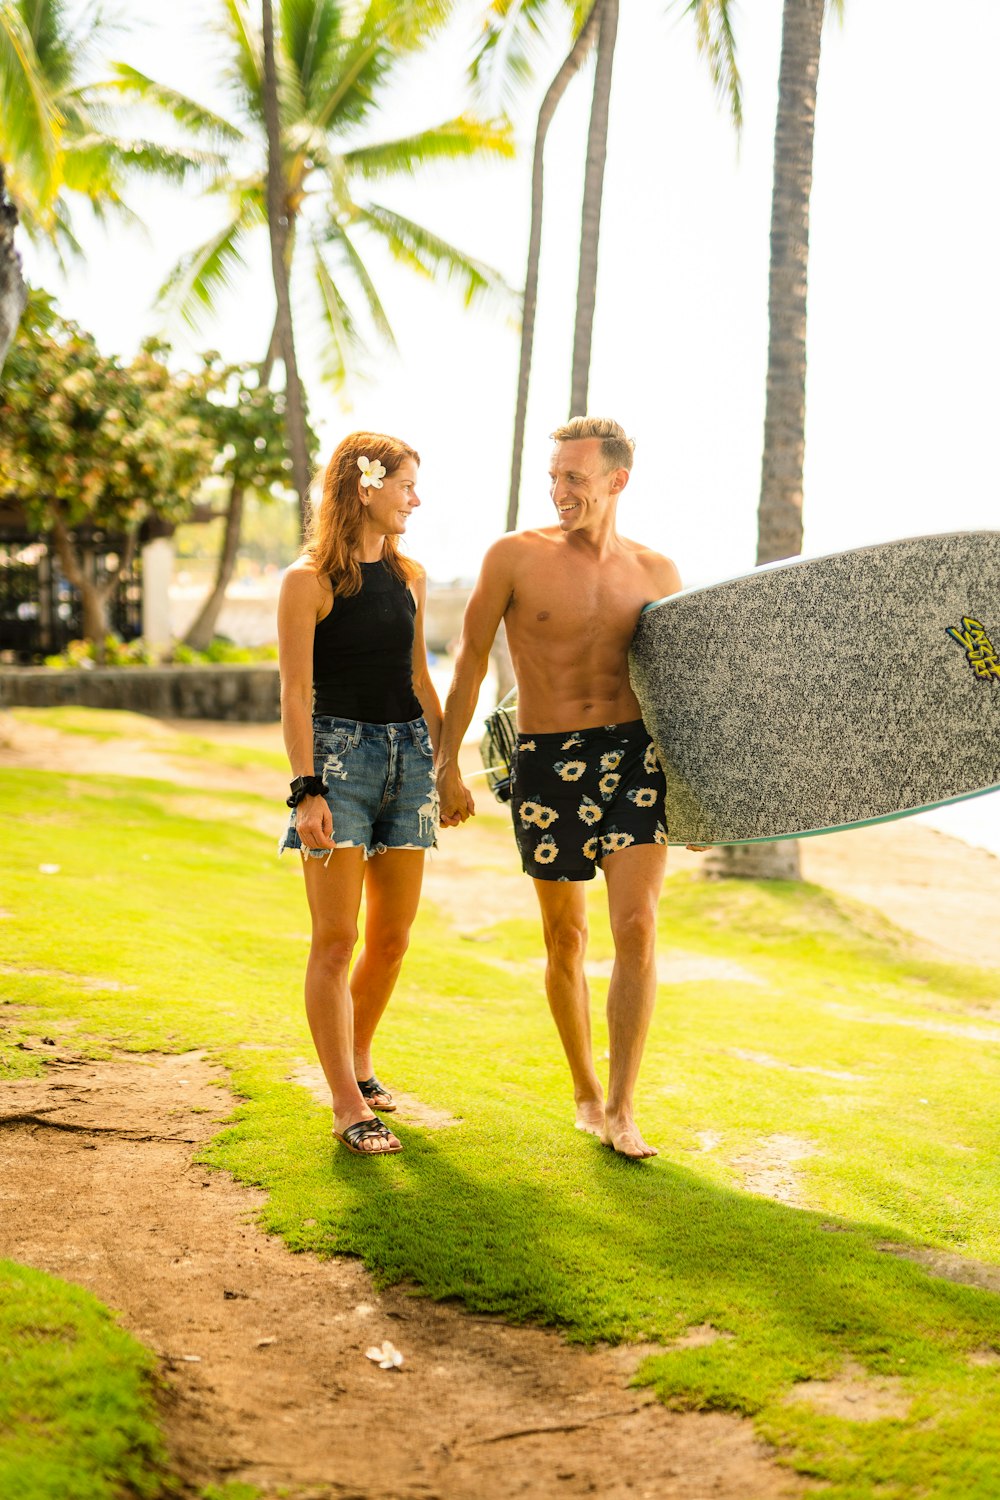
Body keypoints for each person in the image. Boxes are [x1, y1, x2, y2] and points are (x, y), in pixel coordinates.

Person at [436, 416, 685, 1160]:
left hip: (634, 758)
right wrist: (449, 764)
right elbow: (471, 661)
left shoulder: (657, 573)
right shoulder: (515, 556)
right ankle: (582, 1086)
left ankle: (623, 1106)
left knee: (637, 927)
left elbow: (686, 695)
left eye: (574, 476)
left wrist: (706, 795)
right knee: (566, 936)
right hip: (547, 762)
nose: (559, 489)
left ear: (617, 480)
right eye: (554, 476)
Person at [277, 432, 441, 1157]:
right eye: (407, 484)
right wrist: (305, 790)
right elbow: (294, 692)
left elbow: (419, 678)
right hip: (337, 764)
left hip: (409, 756)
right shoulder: (307, 582)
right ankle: (346, 1105)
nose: (415, 498)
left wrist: (451, 768)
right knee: (336, 939)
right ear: (365, 487)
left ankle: (360, 1060)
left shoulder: (411, 575)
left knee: (394, 938)